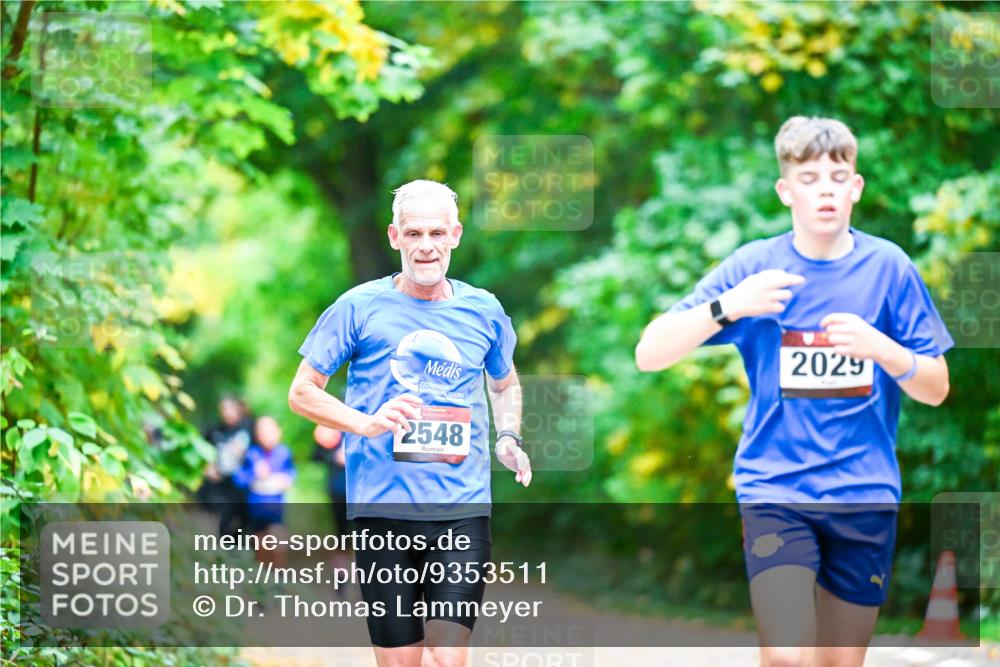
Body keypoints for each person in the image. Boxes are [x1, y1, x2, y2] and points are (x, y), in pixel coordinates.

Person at [635, 116, 953, 667]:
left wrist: (884, 349)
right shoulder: (756, 267)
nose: (825, 188)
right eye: (809, 178)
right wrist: (728, 306)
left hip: (864, 492)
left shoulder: (889, 268)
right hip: (775, 488)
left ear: (856, 187)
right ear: (786, 191)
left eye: (837, 175)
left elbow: (937, 388)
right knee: (787, 654)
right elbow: (650, 352)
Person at [288, 179, 531, 667]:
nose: (426, 245)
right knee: (401, 662)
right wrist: (366, 422)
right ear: (394, 237)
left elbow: (505, 385)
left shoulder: (484, 310)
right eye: (414, 233)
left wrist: (508, 437)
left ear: (455, 235)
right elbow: (302, 393)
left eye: (437, 233)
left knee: (446, 655)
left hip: (460, 509)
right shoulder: (358, 308)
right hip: (380, 511)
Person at [233, 416, 295, 567]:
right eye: (263, 433)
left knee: (278, 544)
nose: (267, 437)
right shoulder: (251, 454)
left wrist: (286, 479)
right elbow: (239, 478)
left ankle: (279, 580)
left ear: (279, 432)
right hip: (255, 510)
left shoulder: (284, 453)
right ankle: (262, 582)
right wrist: (254, 475)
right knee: (260, 546)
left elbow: (291, 473)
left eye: (271, 432)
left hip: (276, 510)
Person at [197, 396, 253, 537]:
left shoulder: (249, 429)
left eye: (231, 408)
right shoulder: (214, 430)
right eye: (224, 409)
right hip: (220, 483)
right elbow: (200, 451)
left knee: (244, 521)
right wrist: (207, 468)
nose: (228, 413)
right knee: (224, 517)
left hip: (243, 483)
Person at [312, 424, 352, 594]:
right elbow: (316, 455)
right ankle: (340, 579)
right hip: (339, 490)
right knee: (342, 536)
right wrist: (334, 456)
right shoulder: (334, 426)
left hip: (366, 491)